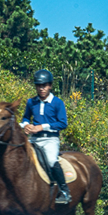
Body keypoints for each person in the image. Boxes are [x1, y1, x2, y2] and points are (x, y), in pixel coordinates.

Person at [20, 69, 71, 204]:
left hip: (50, 139)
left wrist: (42, 126)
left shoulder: (57, 102)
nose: (41, 88)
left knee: (50, 160)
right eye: (38, 85)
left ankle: (64, 191)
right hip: (34, 139)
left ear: (50, 85)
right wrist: (25, 125)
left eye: (44, 85)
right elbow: (25, 118)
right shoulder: (31, 102)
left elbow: (62, 123)